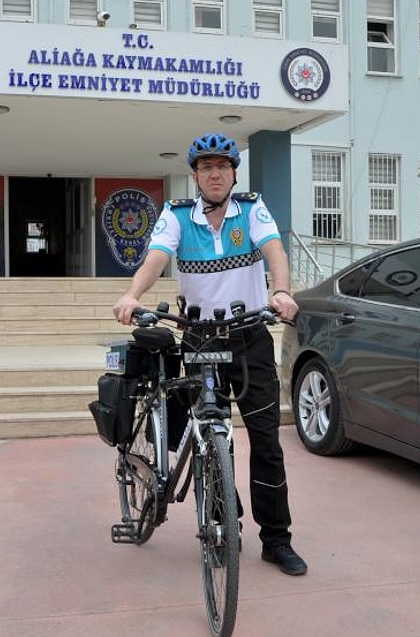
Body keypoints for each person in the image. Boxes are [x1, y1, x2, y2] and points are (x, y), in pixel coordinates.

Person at [112, 132, 307, 575]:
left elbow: (275, 252)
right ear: (195, 176)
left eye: (222, 166)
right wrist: (131, 295)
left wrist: (281, 291)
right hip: (200, 339)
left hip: (251, 335)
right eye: (206, 167)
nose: (215, 173)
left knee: (267, 443)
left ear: (234, 173)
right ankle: (221, 530)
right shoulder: (176, 215)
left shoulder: (252, 209)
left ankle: (277, 539)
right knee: (209, 439)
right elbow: (156, 258)